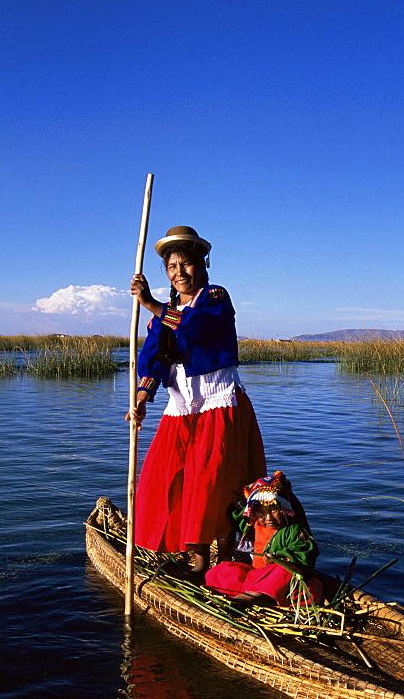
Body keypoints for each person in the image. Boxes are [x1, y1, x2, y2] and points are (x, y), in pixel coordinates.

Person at [126, 225, 266, 576]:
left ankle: (218, 562)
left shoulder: (215, 297)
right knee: (168, 478)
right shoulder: (166, 312)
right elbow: (154, 358)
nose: (178, 273)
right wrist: (142, 398)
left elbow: (194, 328)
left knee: (215, 480)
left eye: (185, 265)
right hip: (181, 409)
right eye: (172, 268)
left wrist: (149, 304)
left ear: (202, 264)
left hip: (218, 404)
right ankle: (191, 555)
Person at [204, 471, 323, 607]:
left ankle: (252, 597)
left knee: (281, 570)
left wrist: (278, 558)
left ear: (284, 508)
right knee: (222, 570)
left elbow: (306, 553)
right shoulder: (254, 525)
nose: (268, 518)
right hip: (256, 576)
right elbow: (239, 516)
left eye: (273, 510)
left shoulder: (294, 530)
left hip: (283, 583)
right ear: (254, 513)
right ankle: (254, 594)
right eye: (261, 513)